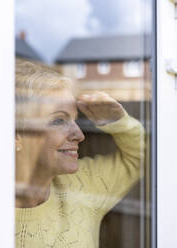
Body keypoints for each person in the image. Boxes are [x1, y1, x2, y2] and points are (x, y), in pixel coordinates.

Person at [15, 58, 144, 248]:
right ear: (16, 136)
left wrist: (119, 122)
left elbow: (144, 157)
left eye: (75, 119)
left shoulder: (83, 185)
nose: (80, 135)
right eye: (58, 121)